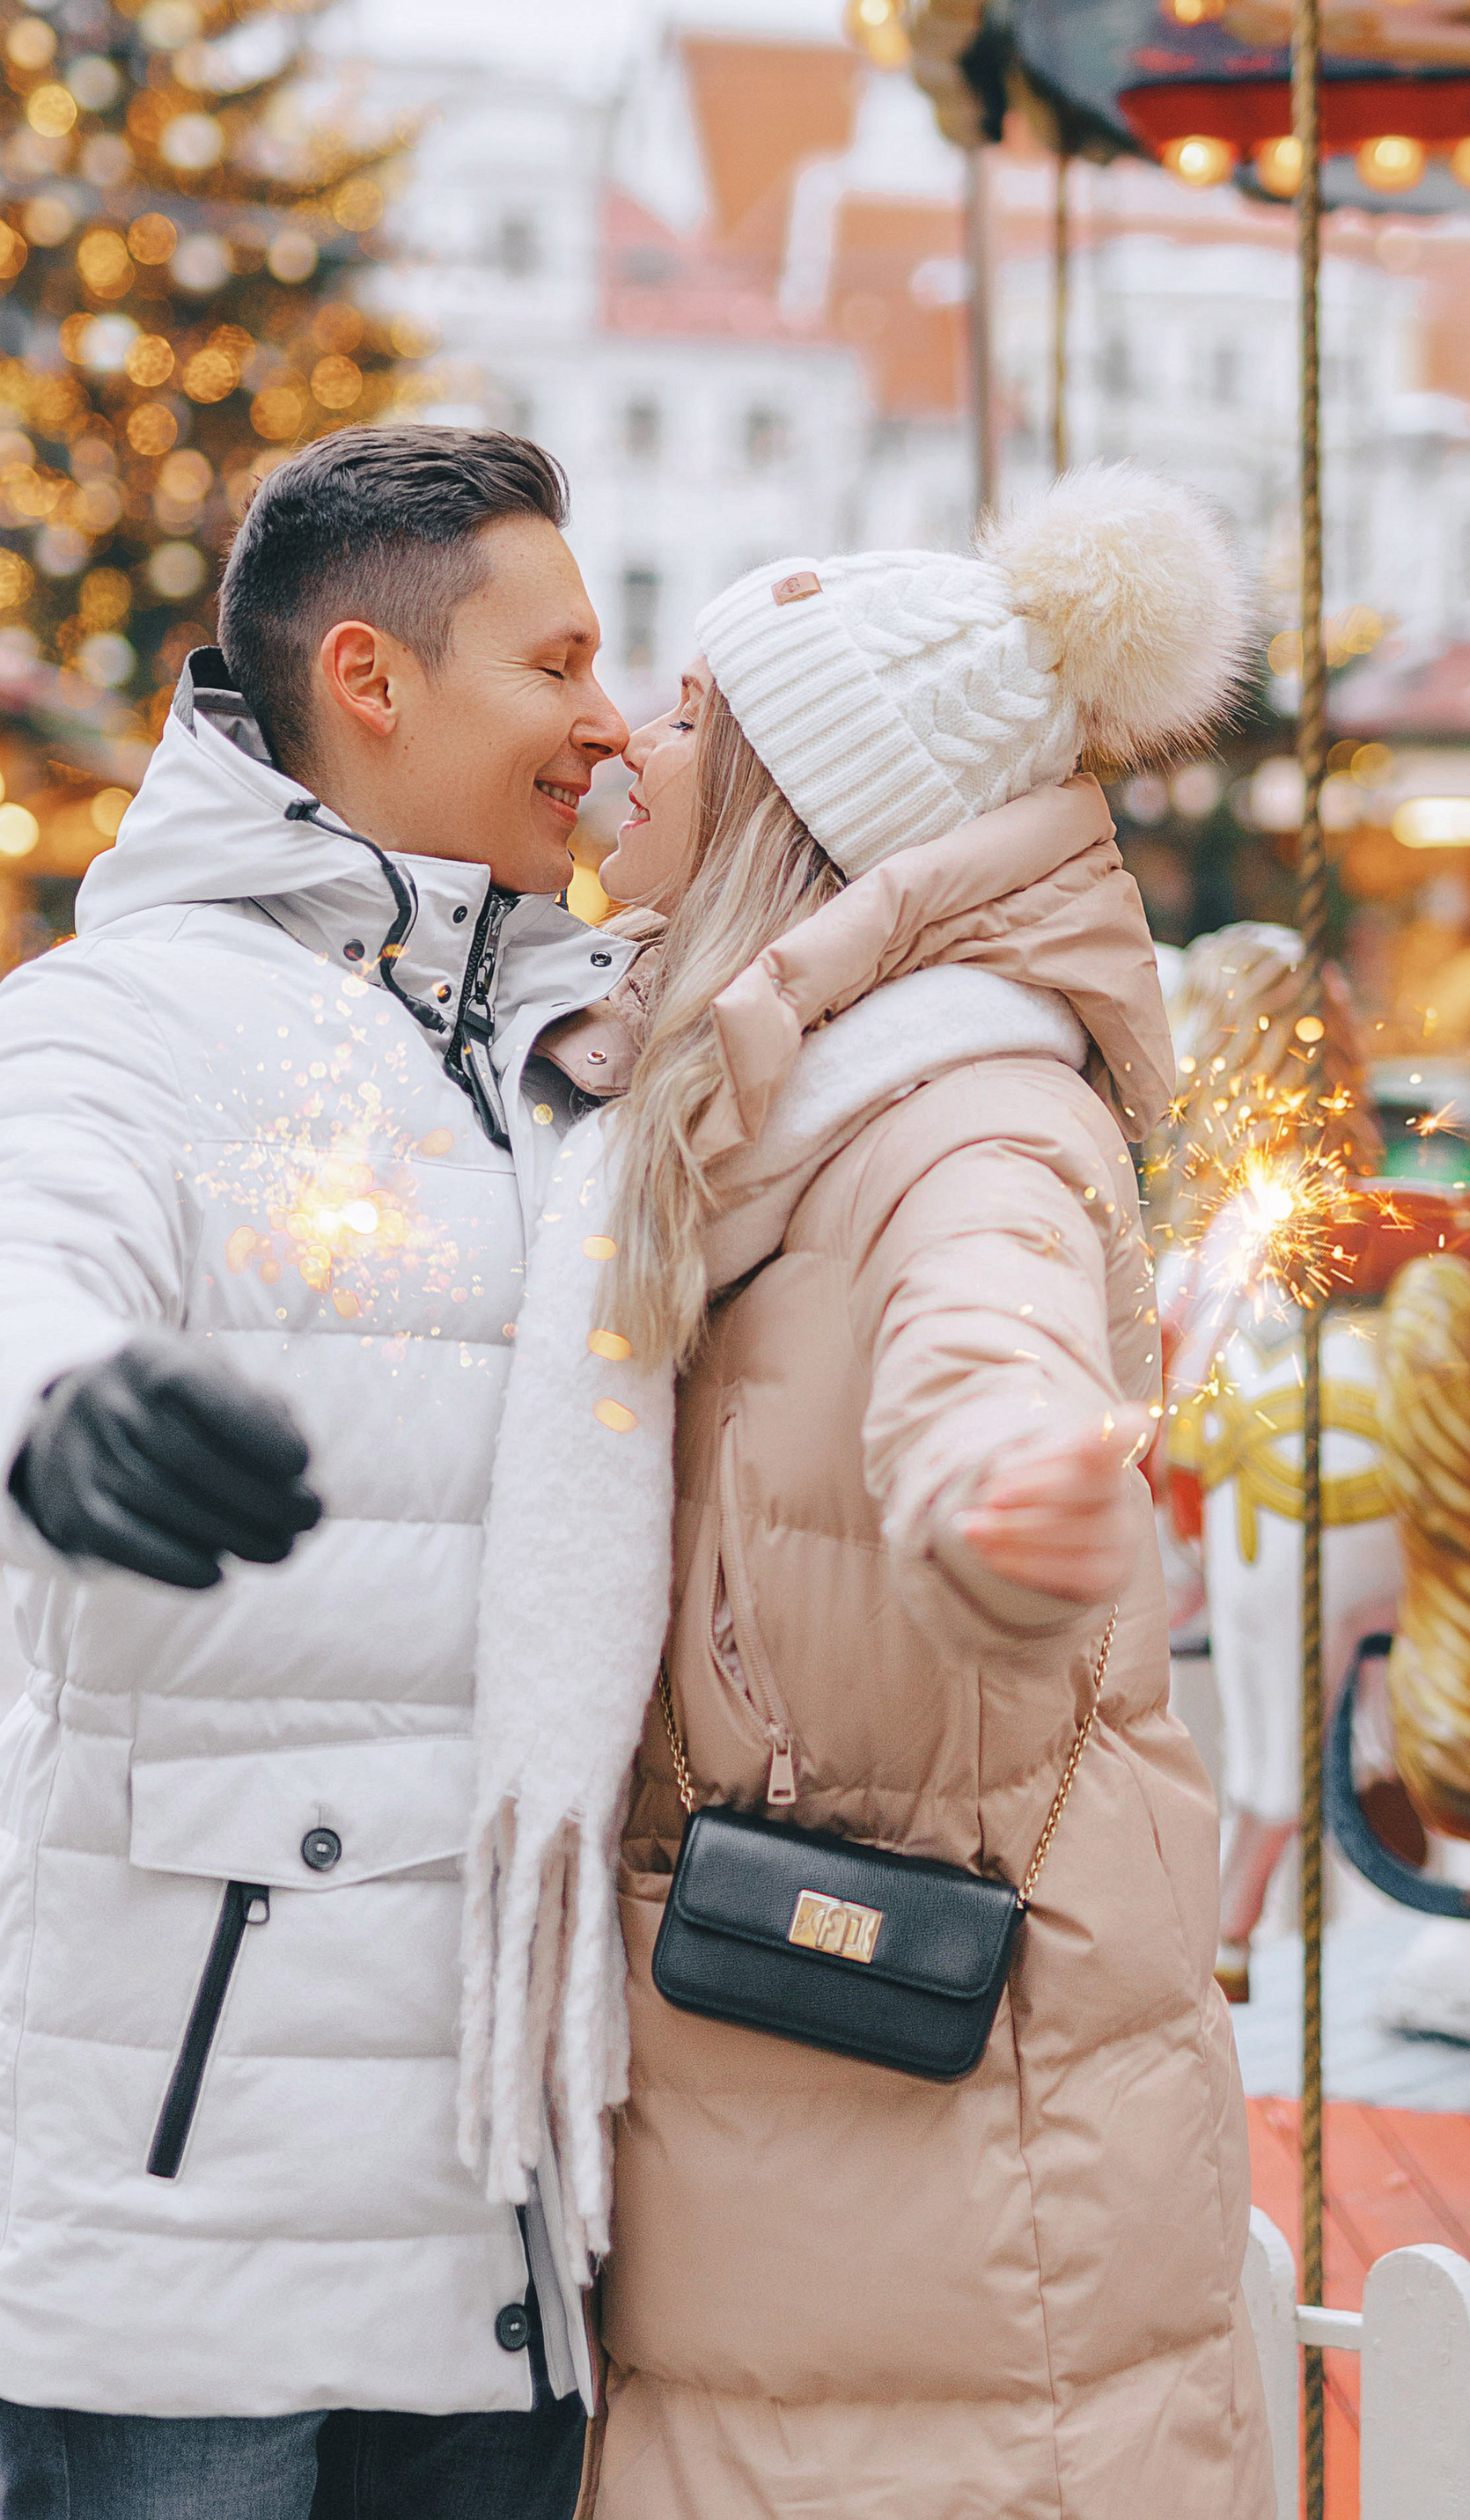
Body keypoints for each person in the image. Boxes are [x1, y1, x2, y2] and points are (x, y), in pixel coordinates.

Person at [457, 466, 1273, 2520]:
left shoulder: (952, 1114)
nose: (627, 751)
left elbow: (982, 1334)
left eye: (684, 721)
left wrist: (999, 1496)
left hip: (943, 2167)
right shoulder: (743, 1103)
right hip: (801, 2136)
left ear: (786, 800)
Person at [0, 427, 636, 2520]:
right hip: (187, 2176)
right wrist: (55, 1414)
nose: (604, 718)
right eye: (555, 665)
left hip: (509, 2204)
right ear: (370, 679)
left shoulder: (588, 1050)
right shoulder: (124, 1017)